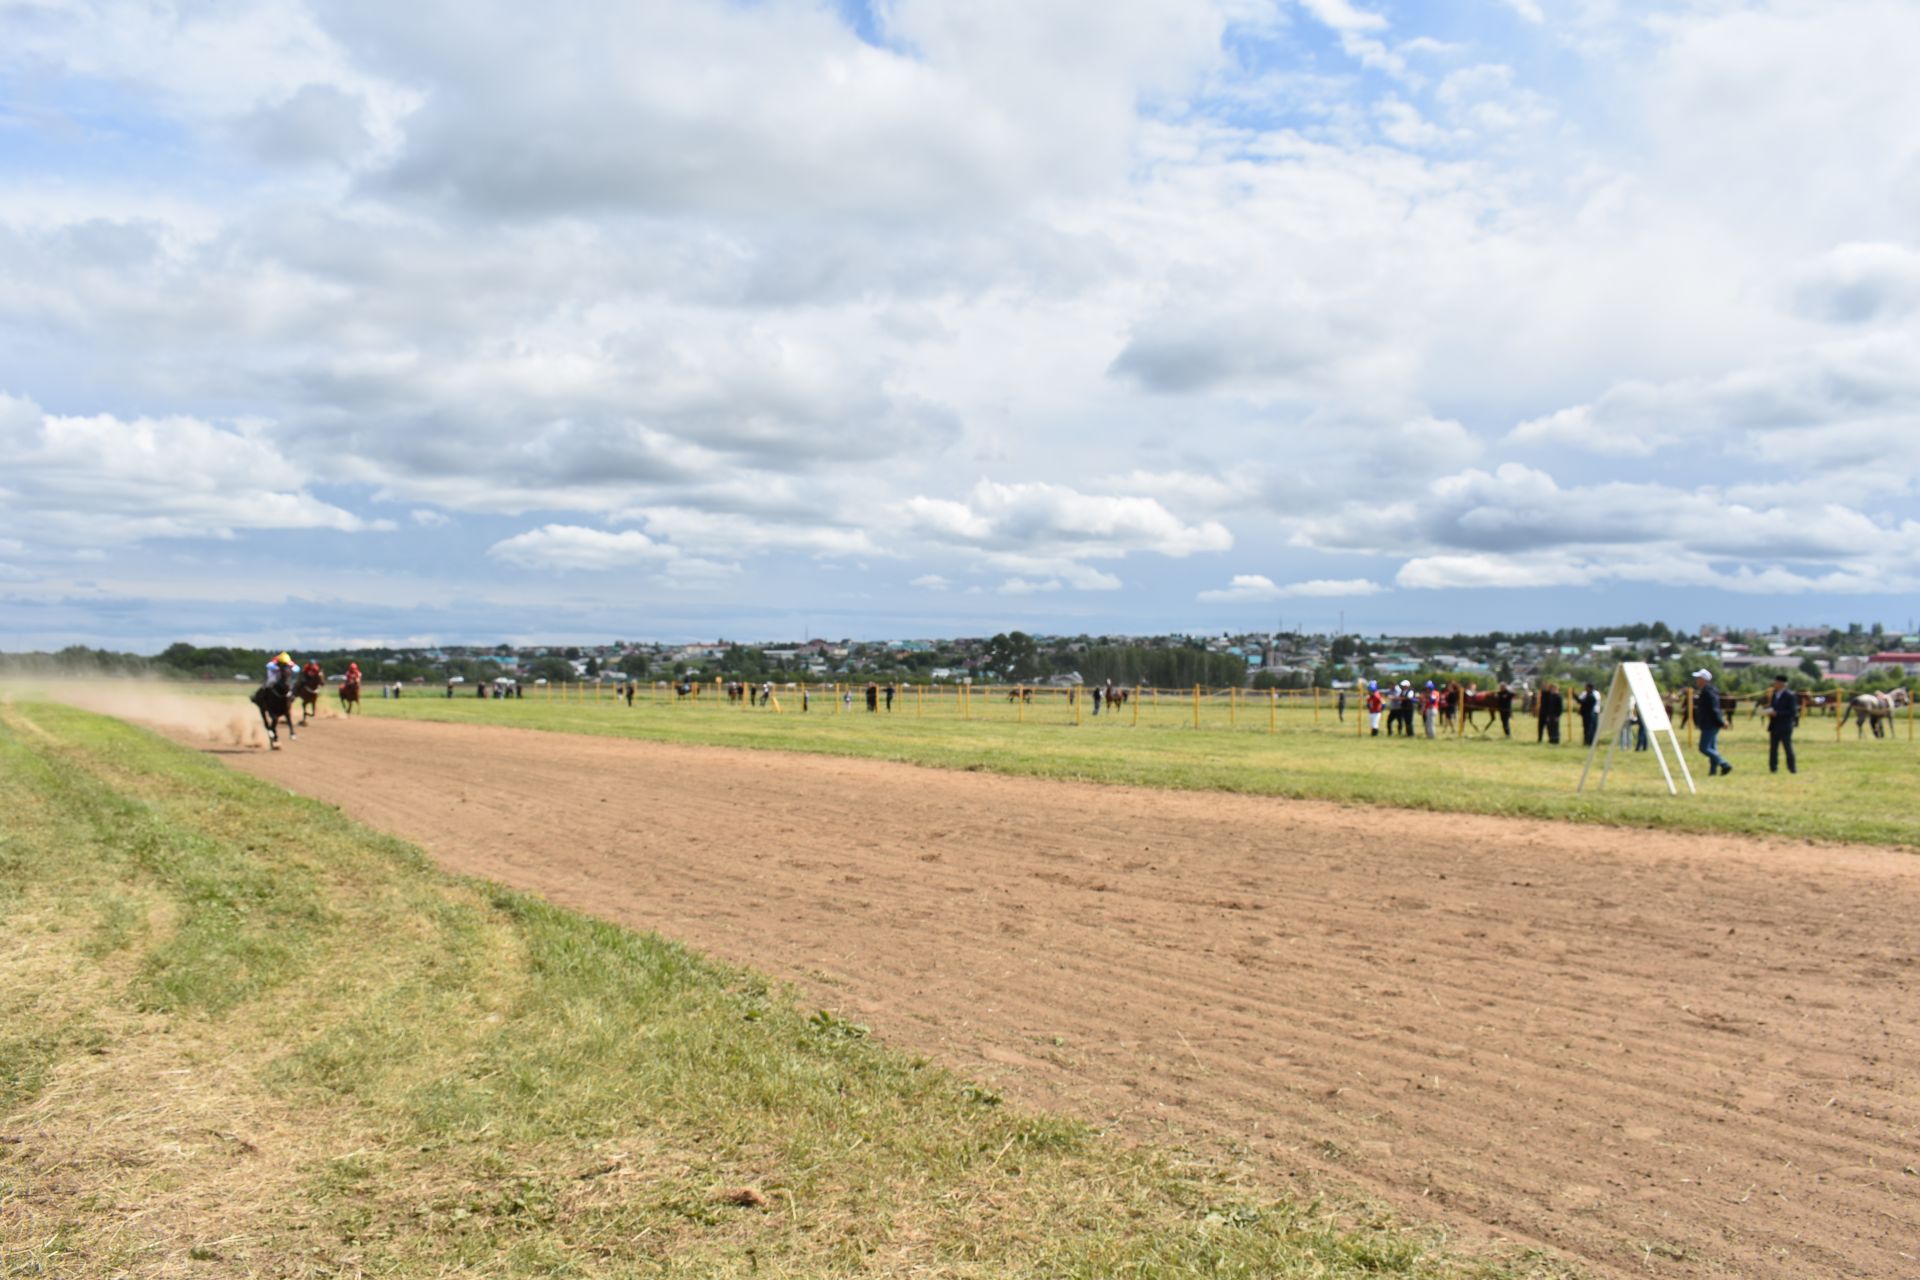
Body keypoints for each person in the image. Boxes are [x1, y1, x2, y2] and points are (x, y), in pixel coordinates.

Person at [1692, 668, 1732, 776]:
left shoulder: (1708, 692)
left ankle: (1724, 764)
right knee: (1712, 748)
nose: (1697, 680)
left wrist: (1721, 722)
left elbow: (1714, 709)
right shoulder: (1708, 690)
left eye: (1698, 678)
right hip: (1710, 723)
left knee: (1704, 748)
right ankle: (1713, 771)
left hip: (1710, 724)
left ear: (1703, 679)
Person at [1767, 673, 1799, 774]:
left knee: (1787, 748)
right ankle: (1773, 768)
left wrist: (1778, 713)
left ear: (1782, 684)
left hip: (1785, 725)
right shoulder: (1774, 695)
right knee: (1773, 748)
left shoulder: (1790, 695)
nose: (1774, 684)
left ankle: (1792, 768)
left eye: (1776, 682)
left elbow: (1793, 712)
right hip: (1774, 725)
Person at [1577, 682, 1600, 746]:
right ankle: (1587, 741)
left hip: (1592, 713)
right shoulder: (1586, 694)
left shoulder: (1594, 694)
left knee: (1591, 729)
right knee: (1587, 728)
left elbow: (1583, 702)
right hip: (1588, 713)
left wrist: (1575, 696)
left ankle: (1590, 742)